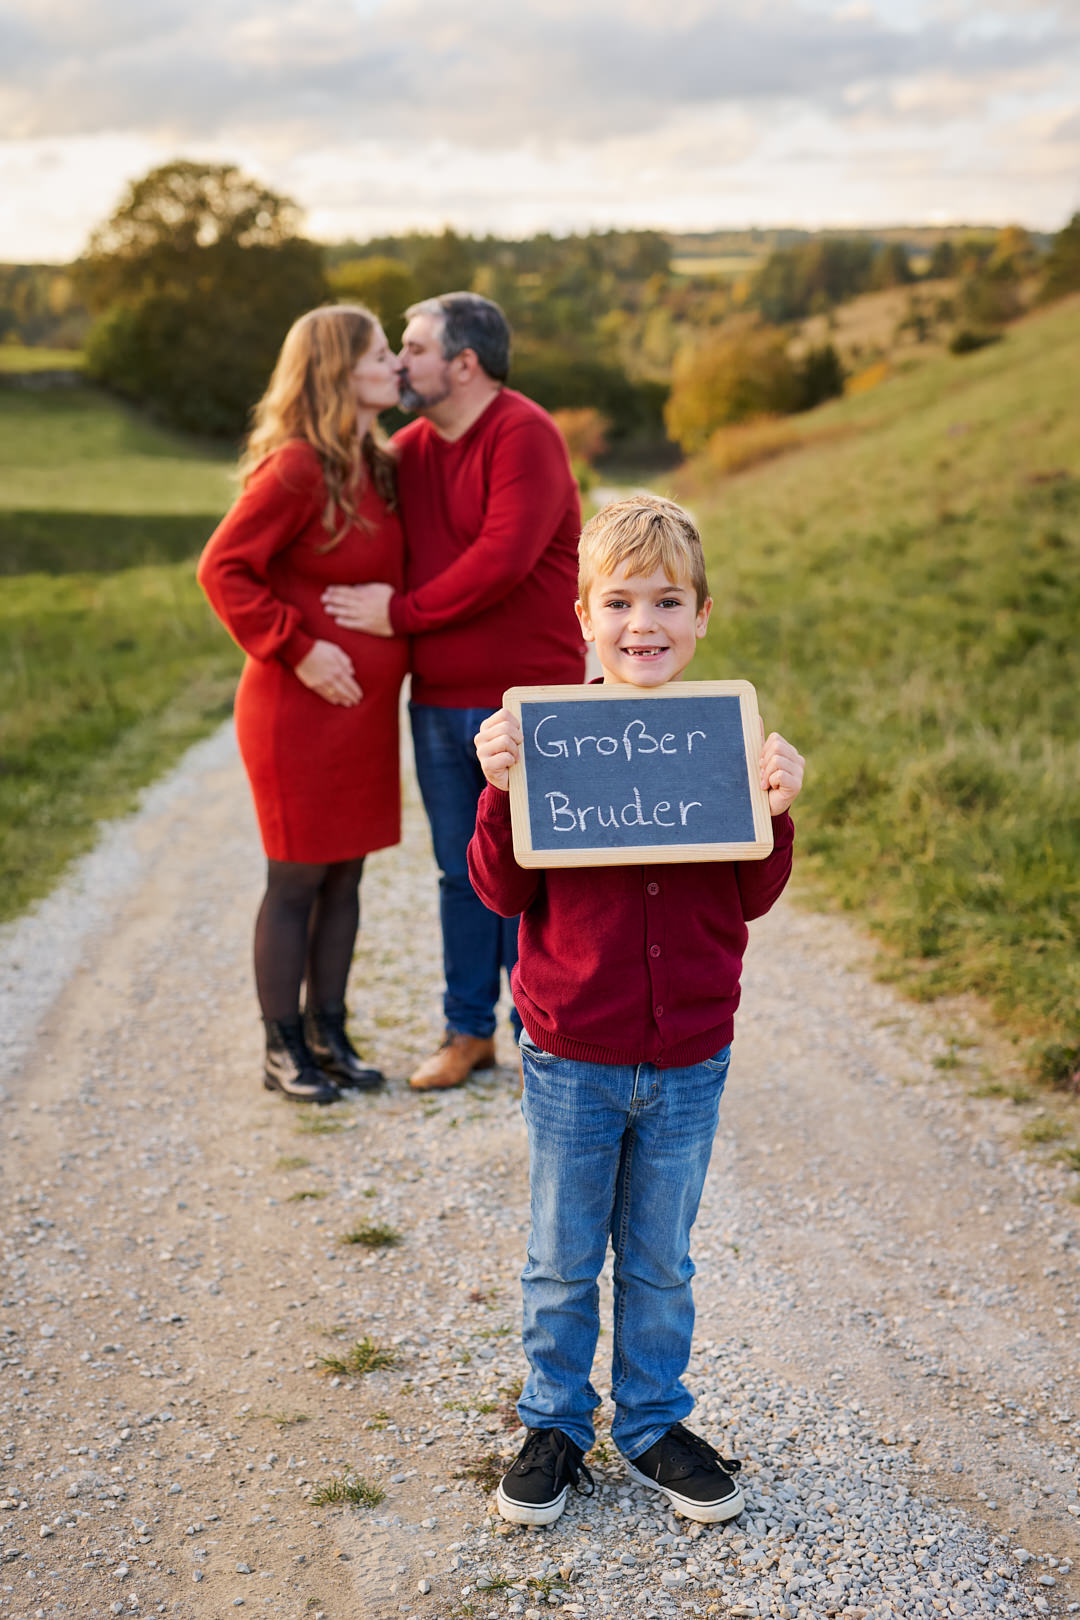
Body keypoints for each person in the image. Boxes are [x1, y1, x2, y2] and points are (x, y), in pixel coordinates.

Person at [468, 495, 805, 1526]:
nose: (641, 623)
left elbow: (749, 892)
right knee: (563, 1253)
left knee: (662, 1254)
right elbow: (499, 892)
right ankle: (556, 1422)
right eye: (618, 602)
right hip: (573, 1049)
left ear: (702, 615)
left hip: (690, 1051)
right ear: (583, 616)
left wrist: (776, 812)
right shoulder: (546, 736)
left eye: (666, 601)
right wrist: (497, 791)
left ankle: (653, 1419)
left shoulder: (721, 738)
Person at [322, 292, 585, 1092]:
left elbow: (501, 559)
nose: (400, 362)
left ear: (464, 364)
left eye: (415, 347)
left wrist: (398, 613)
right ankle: (467, 1031)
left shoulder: (525, 435)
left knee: (537, 868)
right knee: (458, 868)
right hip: (437, 697)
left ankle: (541, 1030)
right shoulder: (408, 449)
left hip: (528, 697)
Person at [197, 305, 408, 1104]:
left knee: (345, 876)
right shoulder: (295, 468)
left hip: (360, 715)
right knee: (296, 879)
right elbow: (223, 570)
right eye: (380, 353)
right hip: (297, 707)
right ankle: (281, 1048)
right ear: (337, 370)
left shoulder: (376, 464)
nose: (394, 364)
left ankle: (328, 1033)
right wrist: (299, 645)